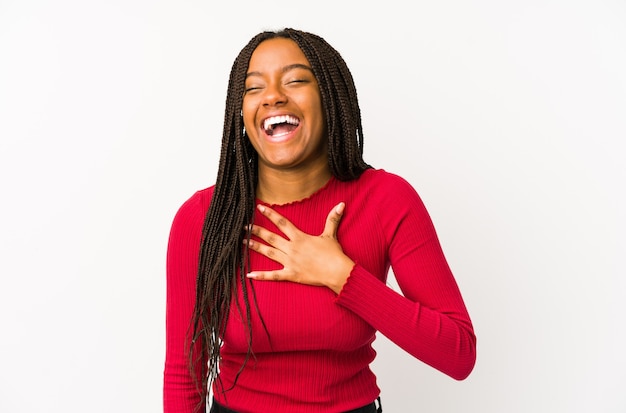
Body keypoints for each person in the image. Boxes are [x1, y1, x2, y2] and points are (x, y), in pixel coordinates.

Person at [163, 28, 476, 413]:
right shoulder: (202, 217)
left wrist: (342, 275)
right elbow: (183, 372)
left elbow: (458, 353)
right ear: (239, 112)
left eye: (295, 80)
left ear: (330, 97)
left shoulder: (387, 200)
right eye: (253, 88)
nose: (274, 96)